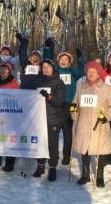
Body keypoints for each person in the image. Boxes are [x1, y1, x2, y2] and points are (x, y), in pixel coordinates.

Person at [71, 61, 111, 187]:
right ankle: (85, 175)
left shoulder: (106, 88)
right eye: (89, 71)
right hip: (83, 123)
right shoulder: (80, 87)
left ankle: (100, 176)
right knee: (84, 149)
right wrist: (73, 109)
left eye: (94, 72)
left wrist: (106, 117)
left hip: (99, 124)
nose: (91, 74)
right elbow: (75, 101)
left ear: (99, 74)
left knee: (100, 150)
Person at [42, 38, 84, 166]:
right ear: (58, 61)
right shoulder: (55, 72)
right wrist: (48, 49)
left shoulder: (73, 71)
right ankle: (52, 153)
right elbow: (46, 62)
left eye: (66, 60)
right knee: (54, 130)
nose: (63, 61)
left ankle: (67, 155)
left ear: (69, 62)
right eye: (61, 59)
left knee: (67, 130)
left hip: (69, 103)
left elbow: (82, 72)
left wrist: (80, 58)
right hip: (55, 103)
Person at [29, 59, 66, 181]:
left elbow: (59, 102)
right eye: (44, 67)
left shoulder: (59, 83)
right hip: (39, 119)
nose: (46, 69)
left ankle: (52, 167)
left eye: (48, 66)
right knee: (39, 143)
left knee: (52, 144)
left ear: (53, 68)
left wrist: (49, 96)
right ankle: (40, 166)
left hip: (53, 119)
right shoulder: (37, 82)